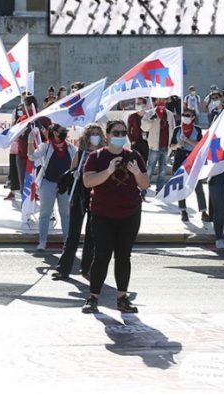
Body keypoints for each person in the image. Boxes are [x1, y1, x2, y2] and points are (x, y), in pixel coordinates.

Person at [81, 120, 149, 314]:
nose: (120, 136)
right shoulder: (97, 156)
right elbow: (88, 182)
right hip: (103, 213)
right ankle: (93, 297)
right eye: (116, 133)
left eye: (123, 133)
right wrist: (109, 170)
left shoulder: (133, 156)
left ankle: (122, 298)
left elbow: (145, 184)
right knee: (101, 255)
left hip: (129, 213)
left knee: (123, 256)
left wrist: (136, 172)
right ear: (108, 135)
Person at [52, 123, 105, 280]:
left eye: (97, 133)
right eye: (91, 133)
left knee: (92, 234)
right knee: (73, 233)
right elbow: (72, 169)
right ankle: (63, 269)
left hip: (97, 193)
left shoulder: (104, 154)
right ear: (86, 137)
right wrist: (75, 174)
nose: (94, 136)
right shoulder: (81, 153)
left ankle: (87, 268)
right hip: (80, 193)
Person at [29, 123, 75, 252]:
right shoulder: (46, 146)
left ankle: (67, 242)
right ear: (54, 133)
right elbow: (32, 156)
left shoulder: (71, 148)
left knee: (66, 214)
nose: (64, 132)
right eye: (62, 130)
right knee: (45, 214)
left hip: (65, 185)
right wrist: (30, 141)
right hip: (48, 183)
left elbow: (78, 161)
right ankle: (42, 242)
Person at [170, 108, 208, 222]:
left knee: (198, 186)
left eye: (188, 115)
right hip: (180, 157)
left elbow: (201, 145)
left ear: (193, 117)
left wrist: (187, 140)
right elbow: (171, 145)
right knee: (180, 186)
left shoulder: (197, 130)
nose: (185, 116)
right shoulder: (177, 129)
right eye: (184, 114)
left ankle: (203, 211)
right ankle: (183, 211)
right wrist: (178, 145)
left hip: (193, 158)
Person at [141, 97, 175, 194]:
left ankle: (159, 190)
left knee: (163, 171)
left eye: (164, 100)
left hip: (165, 147)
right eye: (159, 100)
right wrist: (150, 120)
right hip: (154, 147)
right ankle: (143, 189)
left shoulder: (169, 114)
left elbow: (173, 129)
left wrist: (172, 144)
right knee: (150, 169)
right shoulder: (149, 113)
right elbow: (144, 128)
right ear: (156, 101)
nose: (161, 102)